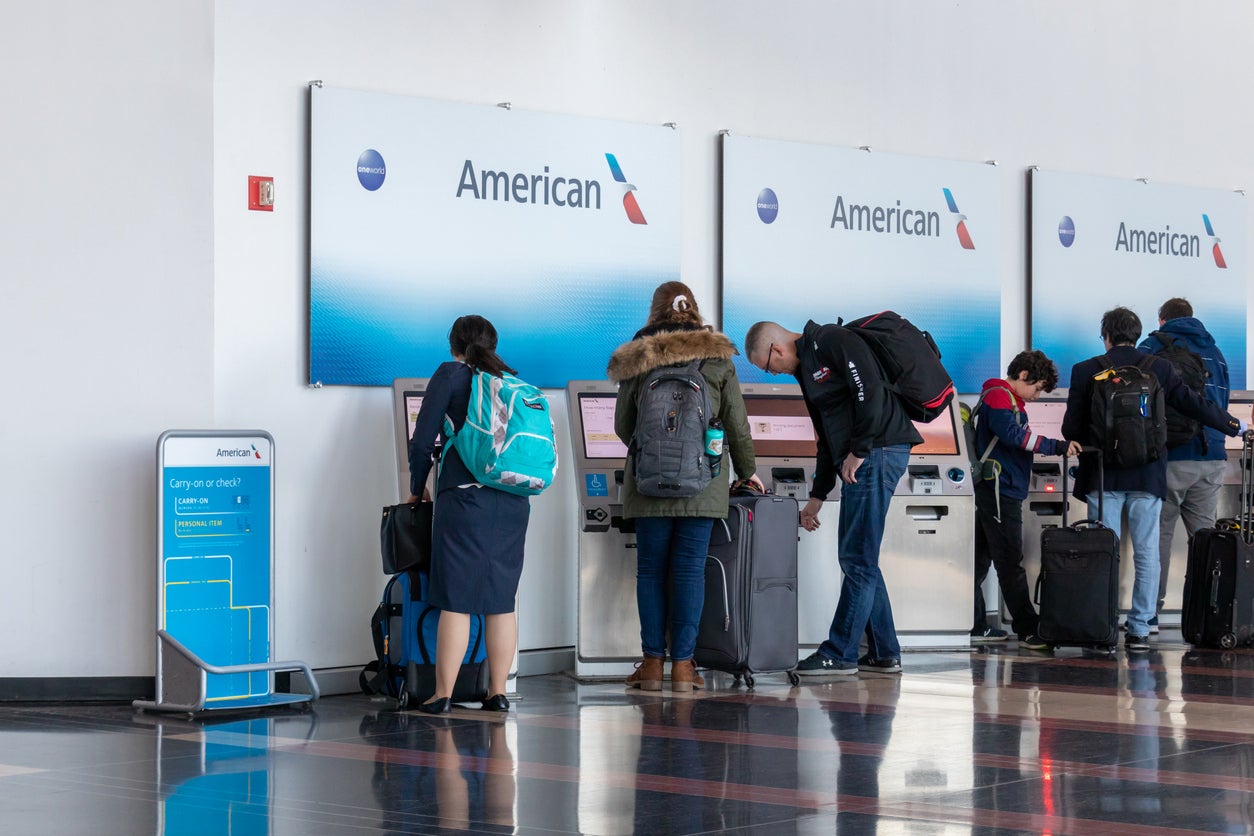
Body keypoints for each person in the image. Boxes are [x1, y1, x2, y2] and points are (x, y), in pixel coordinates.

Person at [1061, 306, 1248, 652]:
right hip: (1148, 473)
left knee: (1105, 551)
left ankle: (1102, 624)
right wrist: (1235, 426)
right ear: (1136, 334)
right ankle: (1141, 627)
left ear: (1105, 336)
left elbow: (1070, 428)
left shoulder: (1085, 370)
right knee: (1147, 551)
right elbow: (1194, 404)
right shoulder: (1158, 368)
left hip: (1104, 475)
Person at [607, 282, 763, 692]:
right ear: (694, 310)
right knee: (690, 571)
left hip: (648, 485)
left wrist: (655, 454)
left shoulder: (638, 356)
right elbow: (737, 424)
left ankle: (652, 665)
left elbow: (624, 426)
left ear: (653, 311)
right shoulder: (717, 356)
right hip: (704, 484)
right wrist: (746, 471)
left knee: (651, 572)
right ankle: (684, 667)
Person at [744, 319, 922, 675]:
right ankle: (885, 651)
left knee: (856, 557)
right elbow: (825, 437)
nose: (773, 374)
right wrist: (817, 496)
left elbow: (870, 390)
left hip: (879, 450)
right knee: (862, 555)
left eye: (767, 367)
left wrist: (861, 448)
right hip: (865, 455)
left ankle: (839, 653)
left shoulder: (833, 341)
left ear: (776, 349)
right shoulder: (807, 371)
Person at [406, 315, 529, 713]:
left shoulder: (451, 375)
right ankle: (498, 693)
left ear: (453, 344)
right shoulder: (509, 380)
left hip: (465, 499)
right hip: (512, 500)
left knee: (456, 600)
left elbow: (423, 438)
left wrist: (416, 487)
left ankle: (443, 694)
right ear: (493, 344)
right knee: (501, 600)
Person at [968, 350, 1080, 650]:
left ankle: (975, 623)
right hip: (999, 491)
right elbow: (1013, 436)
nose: (1036, 395)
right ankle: (1029, 630)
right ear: (1023, 376)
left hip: (1001, 489)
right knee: (1009, 562)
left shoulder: (1007, 397)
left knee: (979, 561)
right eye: (1037, 387)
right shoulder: (999, 395)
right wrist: (1057, 446)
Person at [1137, 297, 1233, 632]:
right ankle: (1209, 615)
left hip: (1170, 456)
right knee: (1205, 540)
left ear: (1162, 319)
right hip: (1212, 458)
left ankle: (1149, 614)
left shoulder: (1152, 346)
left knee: (1157, 538)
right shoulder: (1215, 352)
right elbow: (1220, 403)